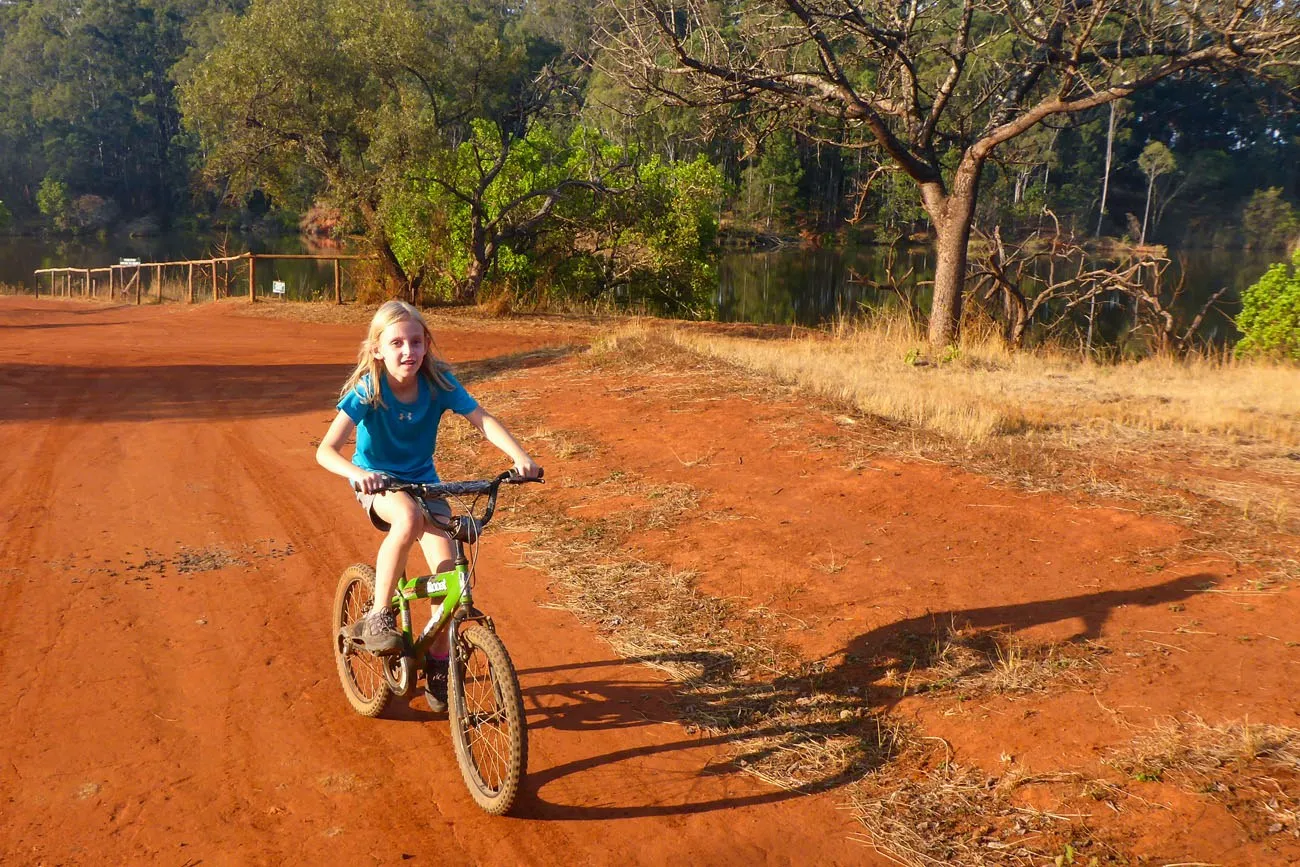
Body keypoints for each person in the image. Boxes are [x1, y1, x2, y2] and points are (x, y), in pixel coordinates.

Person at [316, 300, 541, 711]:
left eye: (416, 342)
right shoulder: (370, 388)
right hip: (379, 481)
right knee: (407, 517)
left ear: (426, 345)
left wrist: (520, 457)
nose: (408, 351)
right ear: (378, 350)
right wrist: (356, 473)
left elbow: (482, 419)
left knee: (449, 573)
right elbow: (325, 451)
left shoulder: (438, 383)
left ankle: (439, 658)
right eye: (397, 342)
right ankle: (380, 614)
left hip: (423, 481)